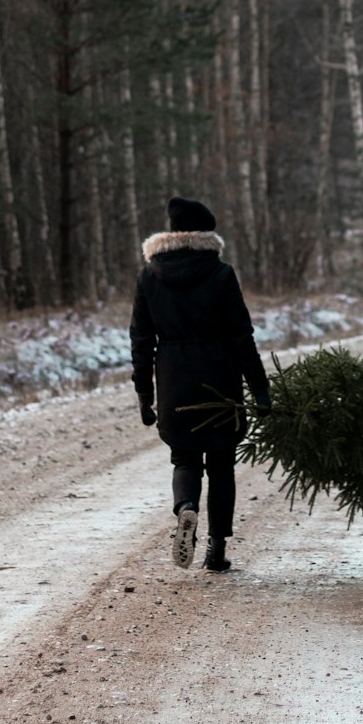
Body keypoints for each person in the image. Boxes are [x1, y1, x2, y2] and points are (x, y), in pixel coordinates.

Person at [129, 196, 271, 572]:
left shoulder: (148, 276)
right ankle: (216, 549)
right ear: (206, 233)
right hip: (220, 378)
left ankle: (186, 507)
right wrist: (259, 388)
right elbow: (242, 335)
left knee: (184, 457)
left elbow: (141, 341)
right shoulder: (221, 273)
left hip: (173, 378)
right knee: (222, 464)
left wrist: (144, 393)